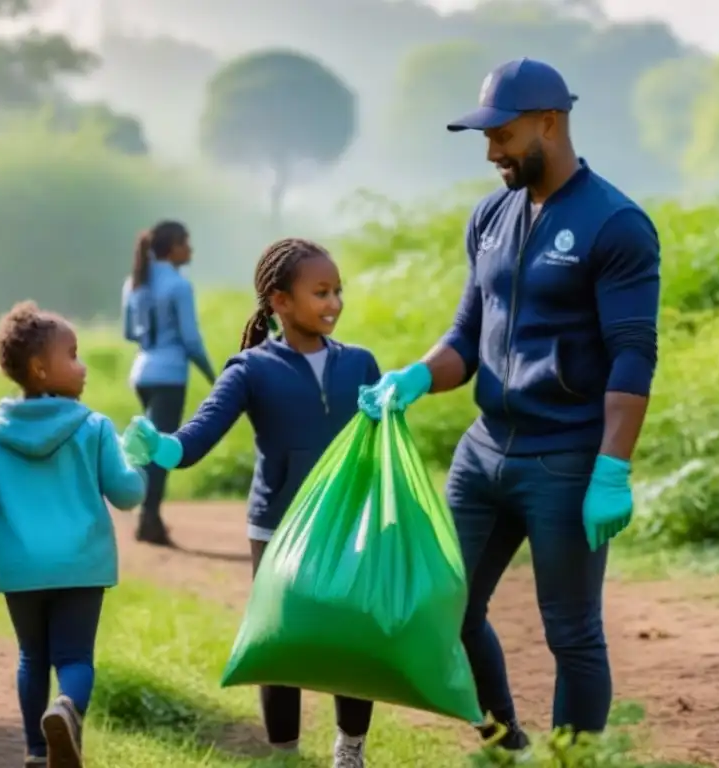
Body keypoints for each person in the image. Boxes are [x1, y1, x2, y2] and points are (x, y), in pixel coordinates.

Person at [359, 58, 660, 757]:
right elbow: (467, 338)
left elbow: (633, 354)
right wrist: (412, 377)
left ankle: (572, 760)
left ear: (549, 123)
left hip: (565, 460)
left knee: (572, 632)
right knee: (446, 609)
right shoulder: (490, 217)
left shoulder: (616, 225)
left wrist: (612, 467)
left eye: (502, 133)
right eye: (484, 135)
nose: (490, 149)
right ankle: (503, 741)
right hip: (484, 453)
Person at [120, 238, 380, 768]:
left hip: (347, 522)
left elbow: (383, 449)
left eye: (337, 291)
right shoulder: (250, 370)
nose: (333, 303)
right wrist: (161, 447)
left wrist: (393, 410)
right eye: (320, 292)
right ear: (280, 301)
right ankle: (284, 756)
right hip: (278, 528)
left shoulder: (361, 365)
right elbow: (195, 438)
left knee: (354, 642)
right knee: (280, 645)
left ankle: (350, 751)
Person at [0, 301, 147, 768]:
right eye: (73, 354)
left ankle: (37, 752)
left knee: (31, 658)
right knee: (75, 658)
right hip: (82, 565)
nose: (82, 366)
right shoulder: (94, 427)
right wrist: (136, 457)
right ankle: (67, 709)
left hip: (22, 569)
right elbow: (126, 493)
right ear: (41, 369)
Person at [122, 220, 216, 546]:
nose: (190, 249)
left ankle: (148, 515)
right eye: (186, 242)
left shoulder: (135, 282)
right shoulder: (179, 285)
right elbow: (191, 340)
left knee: (148, 444)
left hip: (142, 372)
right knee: (160, 449)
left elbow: (129, 333)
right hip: (170, 375)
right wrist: (214, 376)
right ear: (172, 246)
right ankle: (149, 519)